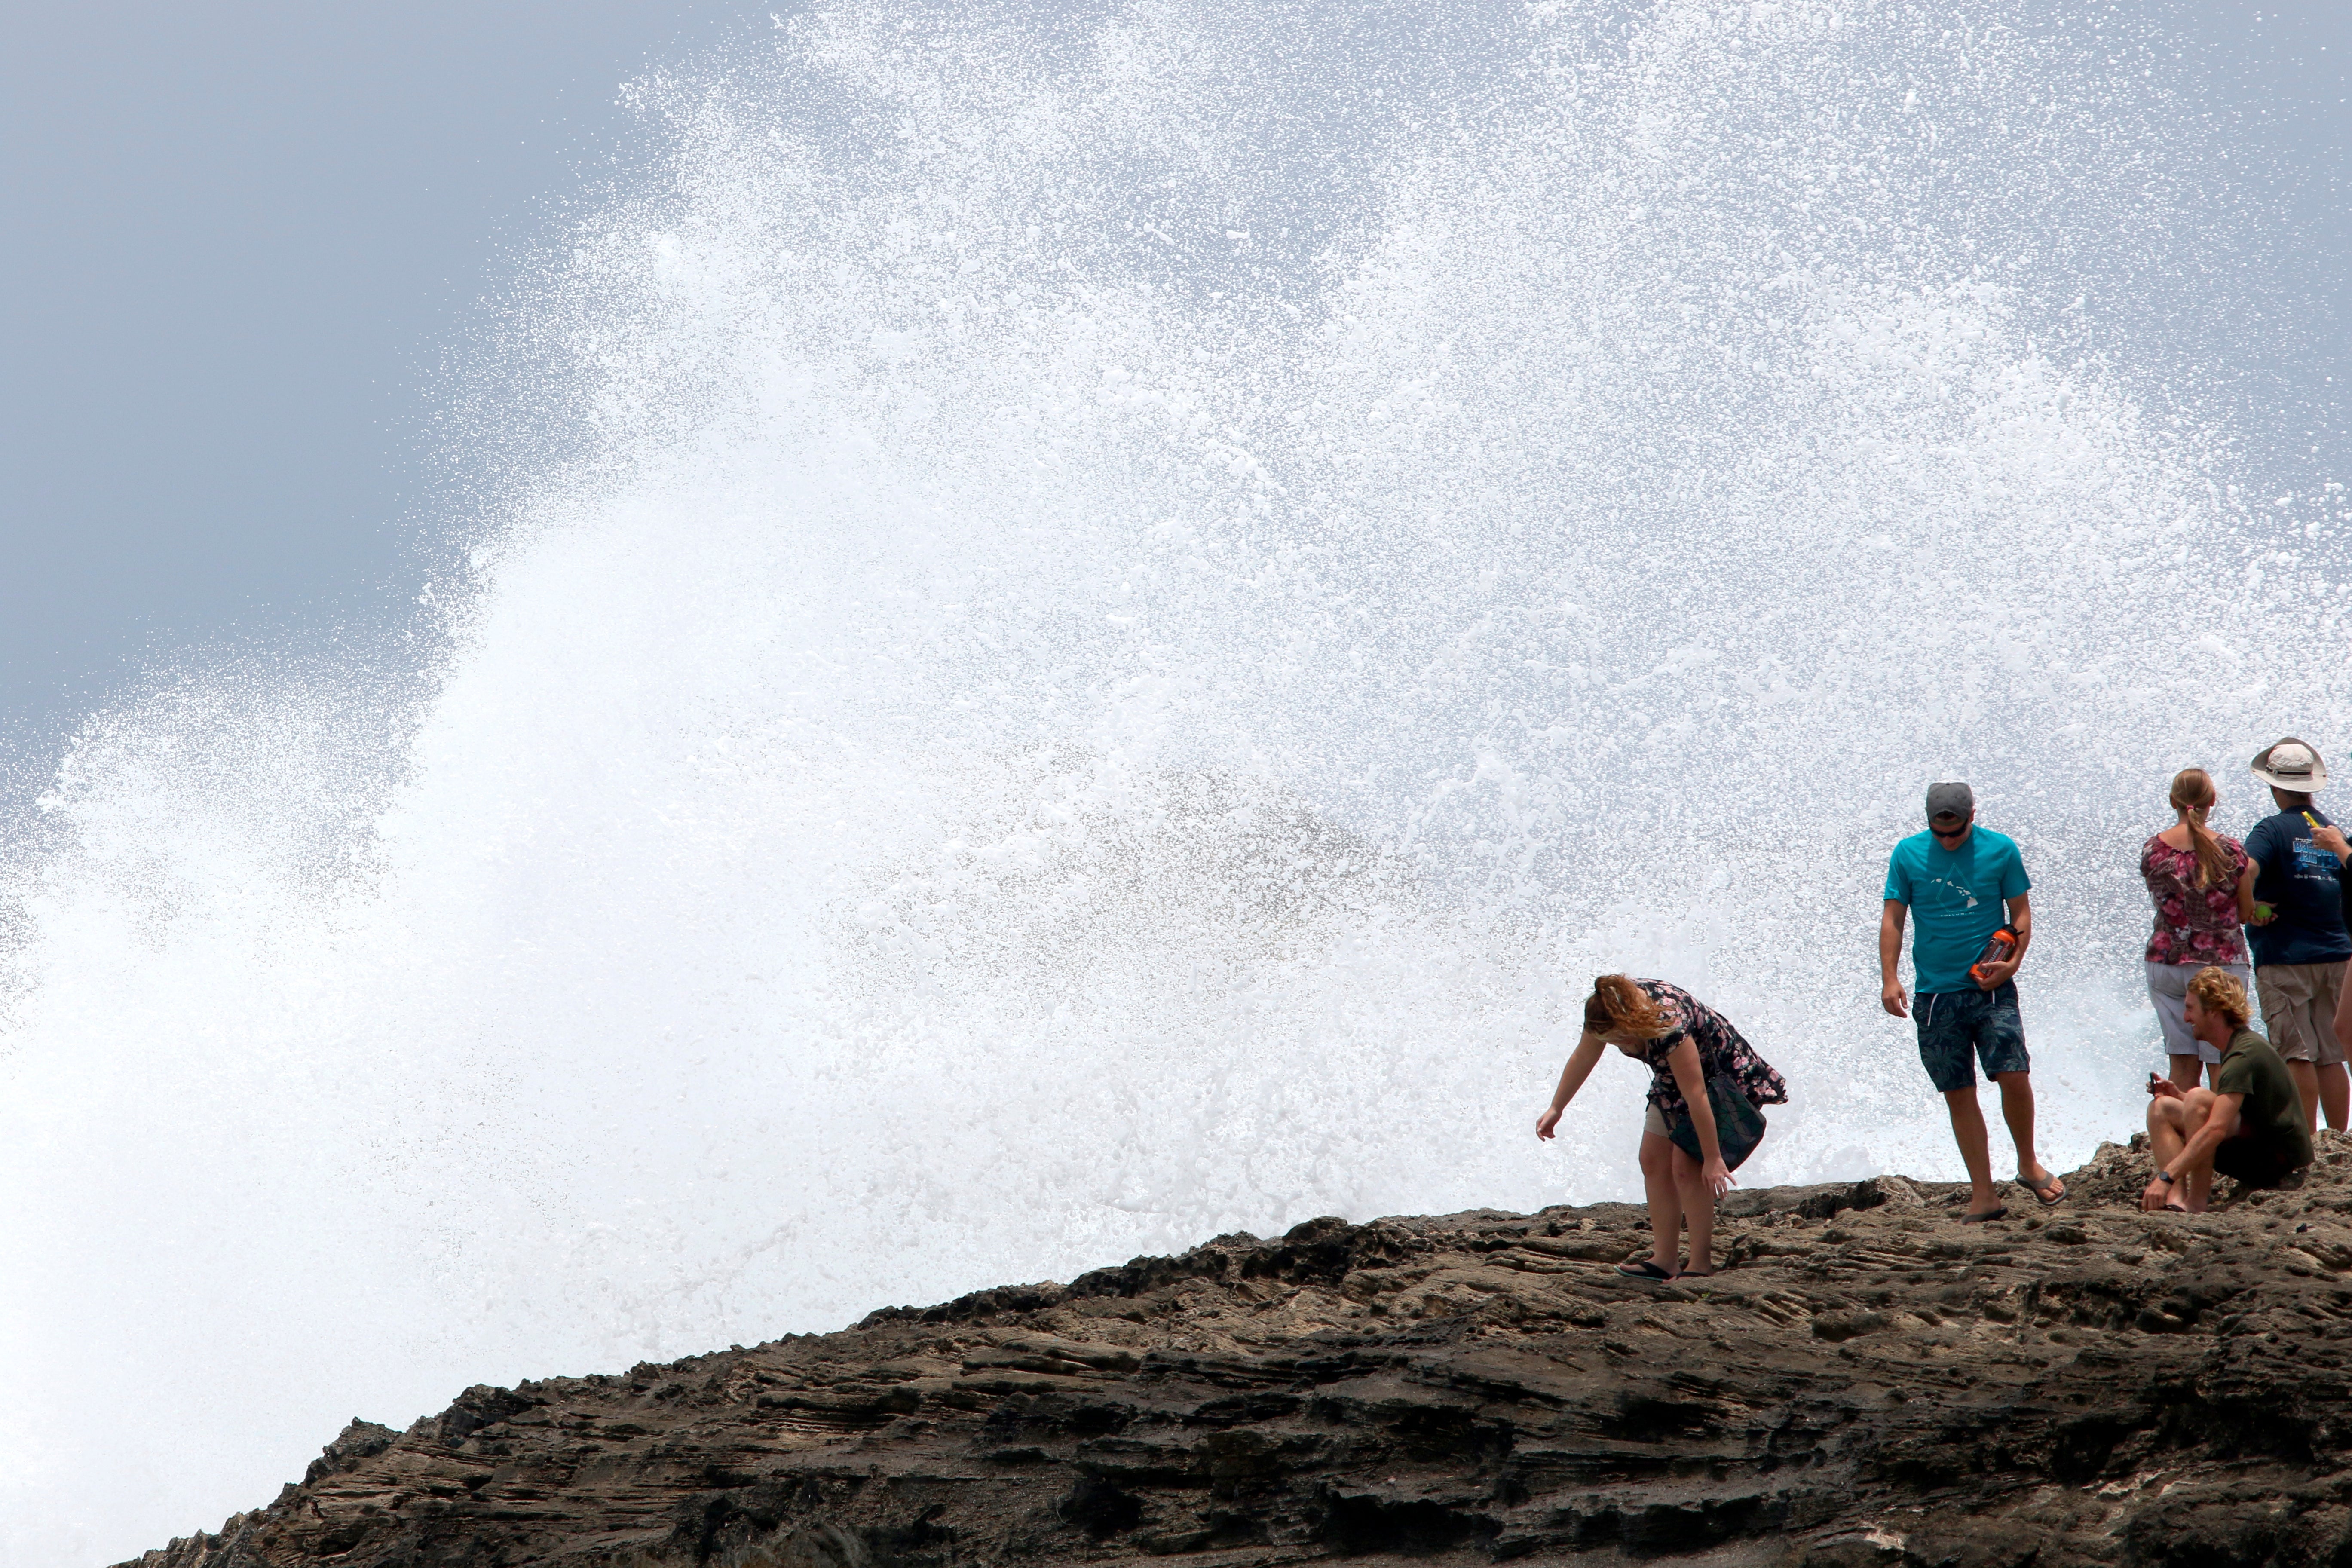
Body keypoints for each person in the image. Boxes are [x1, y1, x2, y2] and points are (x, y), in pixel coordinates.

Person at [1879, 781, 2063, 1222]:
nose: (1947, 839)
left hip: (1991, 987)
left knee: (2013, 1074)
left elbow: (2020, 913)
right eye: (1939, 832)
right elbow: (1893, 919)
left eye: (1955, 831)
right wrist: (1890, 978)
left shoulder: (2001, 850)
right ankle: (1984, 1195)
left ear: (1972, 815)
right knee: (1959, 1093)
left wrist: (2013, 963)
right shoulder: (1907, 854)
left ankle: (2028, 1163)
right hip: (1936, 996)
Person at [1535, 975, 1787, 1281]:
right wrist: (1557, 1107)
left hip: (1718, 1080)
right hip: (1671, 1080)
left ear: (1634, 1021)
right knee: (1652, 1159)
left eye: (1622, 1039)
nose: (1621, 1047)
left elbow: (1696, 1095)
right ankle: (1665, 1260)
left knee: (1686, 1166)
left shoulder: (1667, 1023)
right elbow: (1584, 1055)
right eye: (1612, 1042)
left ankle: (1700, 1265)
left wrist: (1712, 1158)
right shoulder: (1603, 1011)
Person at [2244, 738, 2350, 1134]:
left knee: (2297, 1055)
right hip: (2338, 954)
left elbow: (2246, 869)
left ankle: (2306, 1142)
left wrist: (2249, 908)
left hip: (2285, 955)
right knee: (2332, 1056)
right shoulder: (2333, 832)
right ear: (2311, 785)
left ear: (2274, 787)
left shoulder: (2271, 829)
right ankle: (2339, 1141)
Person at [2141, 966, 2312, 1213]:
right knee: (2162, 1108)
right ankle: (2175, 1200)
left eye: (2191, 1009)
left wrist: (2164, 1177)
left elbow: (2216, 1128)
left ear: (2213, 1012)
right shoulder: (2236, 1045)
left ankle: (2196, 1203)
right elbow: (2232, 1109)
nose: (2185, 1018)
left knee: (2199, 1099)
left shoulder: (2243, 1054)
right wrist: (2179, 1096)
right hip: (2258, 1147)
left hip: (2281, 1164)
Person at [2141, 768, 2259, 1090]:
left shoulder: (2154, 850)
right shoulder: (2231, 851)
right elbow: (2245, 913)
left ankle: (2181, 1135)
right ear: (2212, 801)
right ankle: (2222, 1136)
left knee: (2181, 1063)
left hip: (2166, 963)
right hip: (2221, 966)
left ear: (2172, 802)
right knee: (2221, 1060)